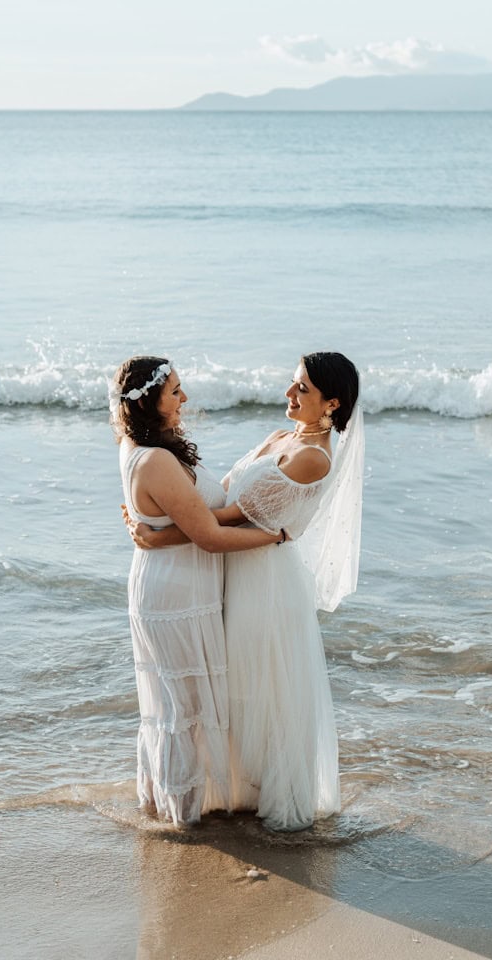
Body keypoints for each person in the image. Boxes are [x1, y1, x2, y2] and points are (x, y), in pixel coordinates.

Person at [126, 352, 364, 832]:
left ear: (332, 404)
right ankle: (237, 791)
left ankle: (273, 797)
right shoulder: (285, 437)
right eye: (293, 383)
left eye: (303, 390)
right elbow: (220, 501)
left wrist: (156, 533)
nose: (289, 394)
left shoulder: (312, 458)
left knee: (264, 690)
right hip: (240, 569)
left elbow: (223, 520)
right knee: (235, 690)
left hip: (266, 581)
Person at [110, 356, 281, 827]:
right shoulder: (157, 460)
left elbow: (201, 515)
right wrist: (275, 535)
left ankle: (174, 805)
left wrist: (158, 534)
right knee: (181, 708)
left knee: (177, 704)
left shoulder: (139, 444)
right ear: (148, 402)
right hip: (175, 595)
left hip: (173, 580)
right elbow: (209, 534)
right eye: (175, 392)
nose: (184, 398)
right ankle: (181, 819)